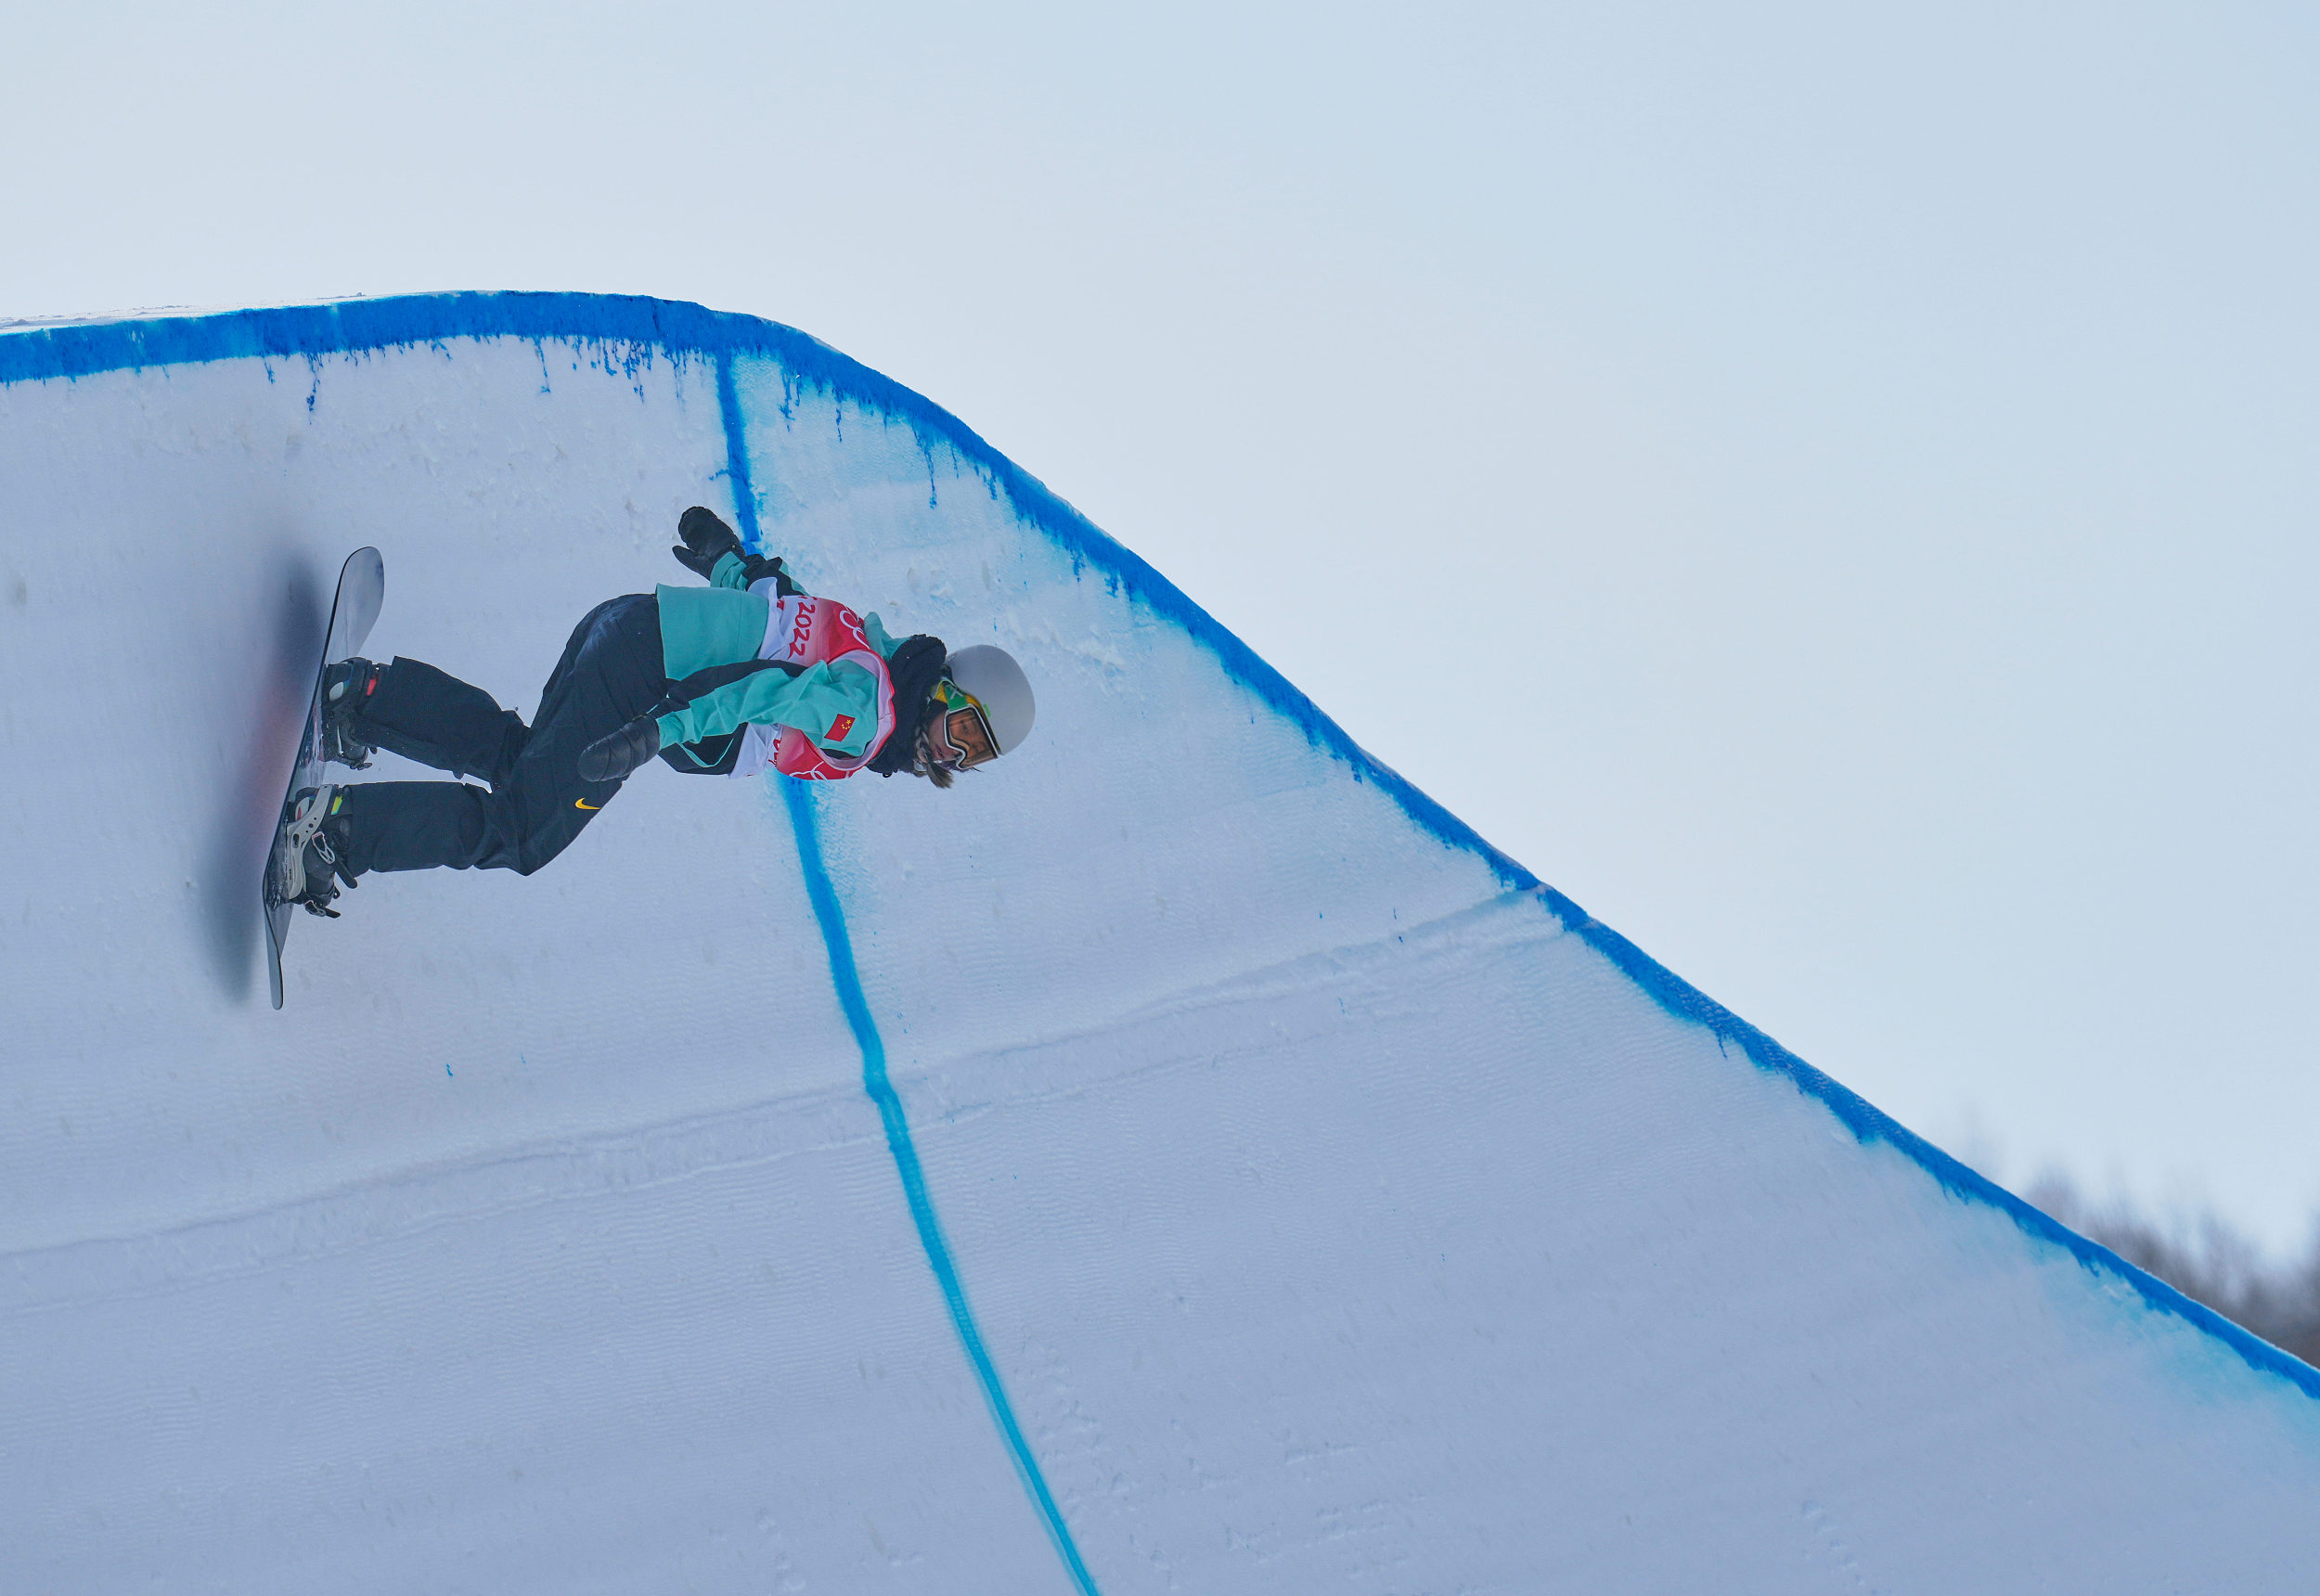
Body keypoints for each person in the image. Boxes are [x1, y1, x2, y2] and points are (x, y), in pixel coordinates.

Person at [275, 507, 1035, 917]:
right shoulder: (868, 718)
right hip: (647, 683)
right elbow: (755, 696)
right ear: (948, 690)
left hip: (629, 627)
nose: (954, 754)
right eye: (964, 729)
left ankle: (365, 699)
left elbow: (778, 603)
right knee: (519, 834)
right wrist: (654, 735)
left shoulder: (866, 650)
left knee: (526, 764)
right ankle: (335, 831)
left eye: (975, 756)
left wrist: (723, 556)